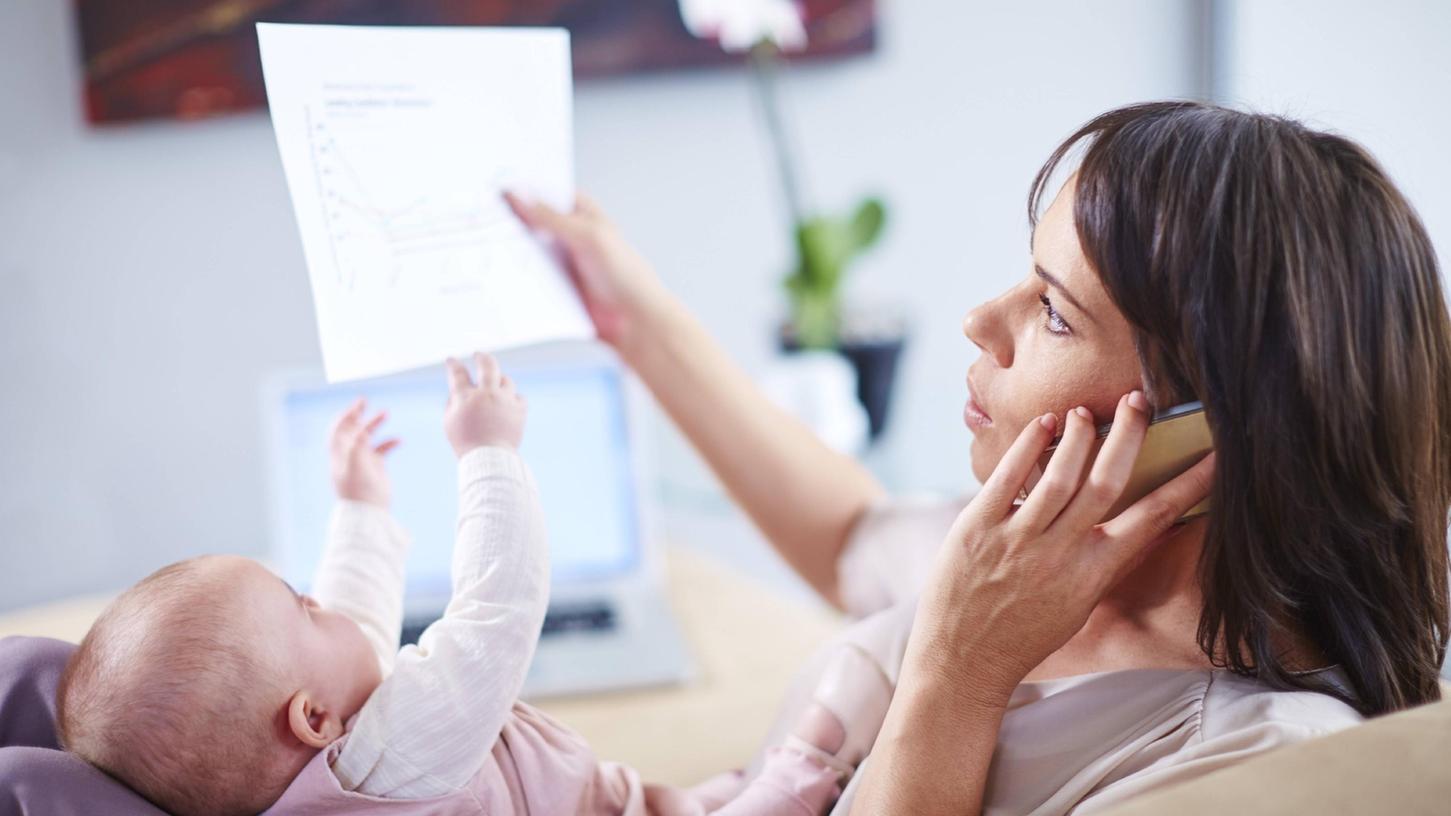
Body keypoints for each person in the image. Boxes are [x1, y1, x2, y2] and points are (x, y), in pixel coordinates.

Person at [505, 99, 1451, 815]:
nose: (980, 321)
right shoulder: (1034, 565)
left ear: (1209, 431)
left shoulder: (1248, 766)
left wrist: (958, 670)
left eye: (1051, 312)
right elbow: (848, 536)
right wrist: (636, 322)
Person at [55, 352, 898, 816]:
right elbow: (499, 605)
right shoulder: (399, 755)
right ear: (312, 720)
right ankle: (791, 788)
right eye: (300, 605)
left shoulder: (337, 762)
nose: (323, 598)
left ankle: (739, 791)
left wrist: (359, 507)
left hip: (607, 799)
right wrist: (487, 452)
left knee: (690, 798)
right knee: (774, 769)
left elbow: (355, 622)